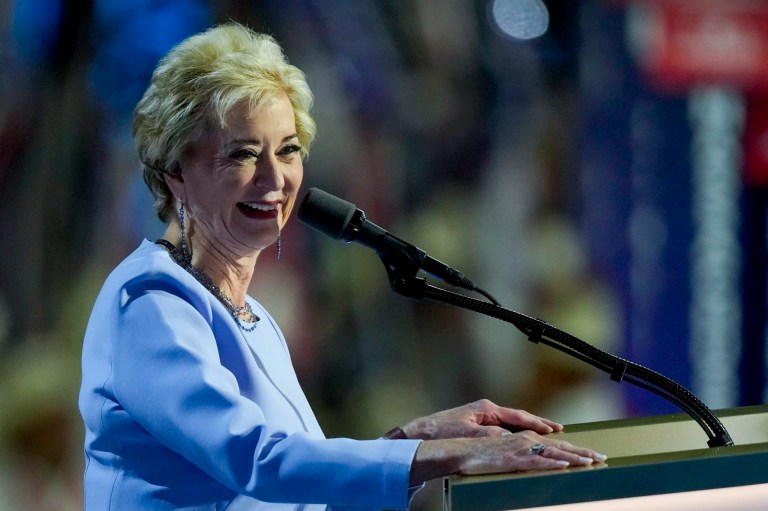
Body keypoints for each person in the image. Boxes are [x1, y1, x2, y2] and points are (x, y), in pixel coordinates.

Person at [78, 22, 606, 511]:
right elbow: (257, 460)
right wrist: (449, 457)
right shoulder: (149, 305)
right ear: (175, 171)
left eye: (287, 150)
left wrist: (417, 438)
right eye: (241, 154)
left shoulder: (248, 314)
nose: (274, 178)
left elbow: (297, 484)